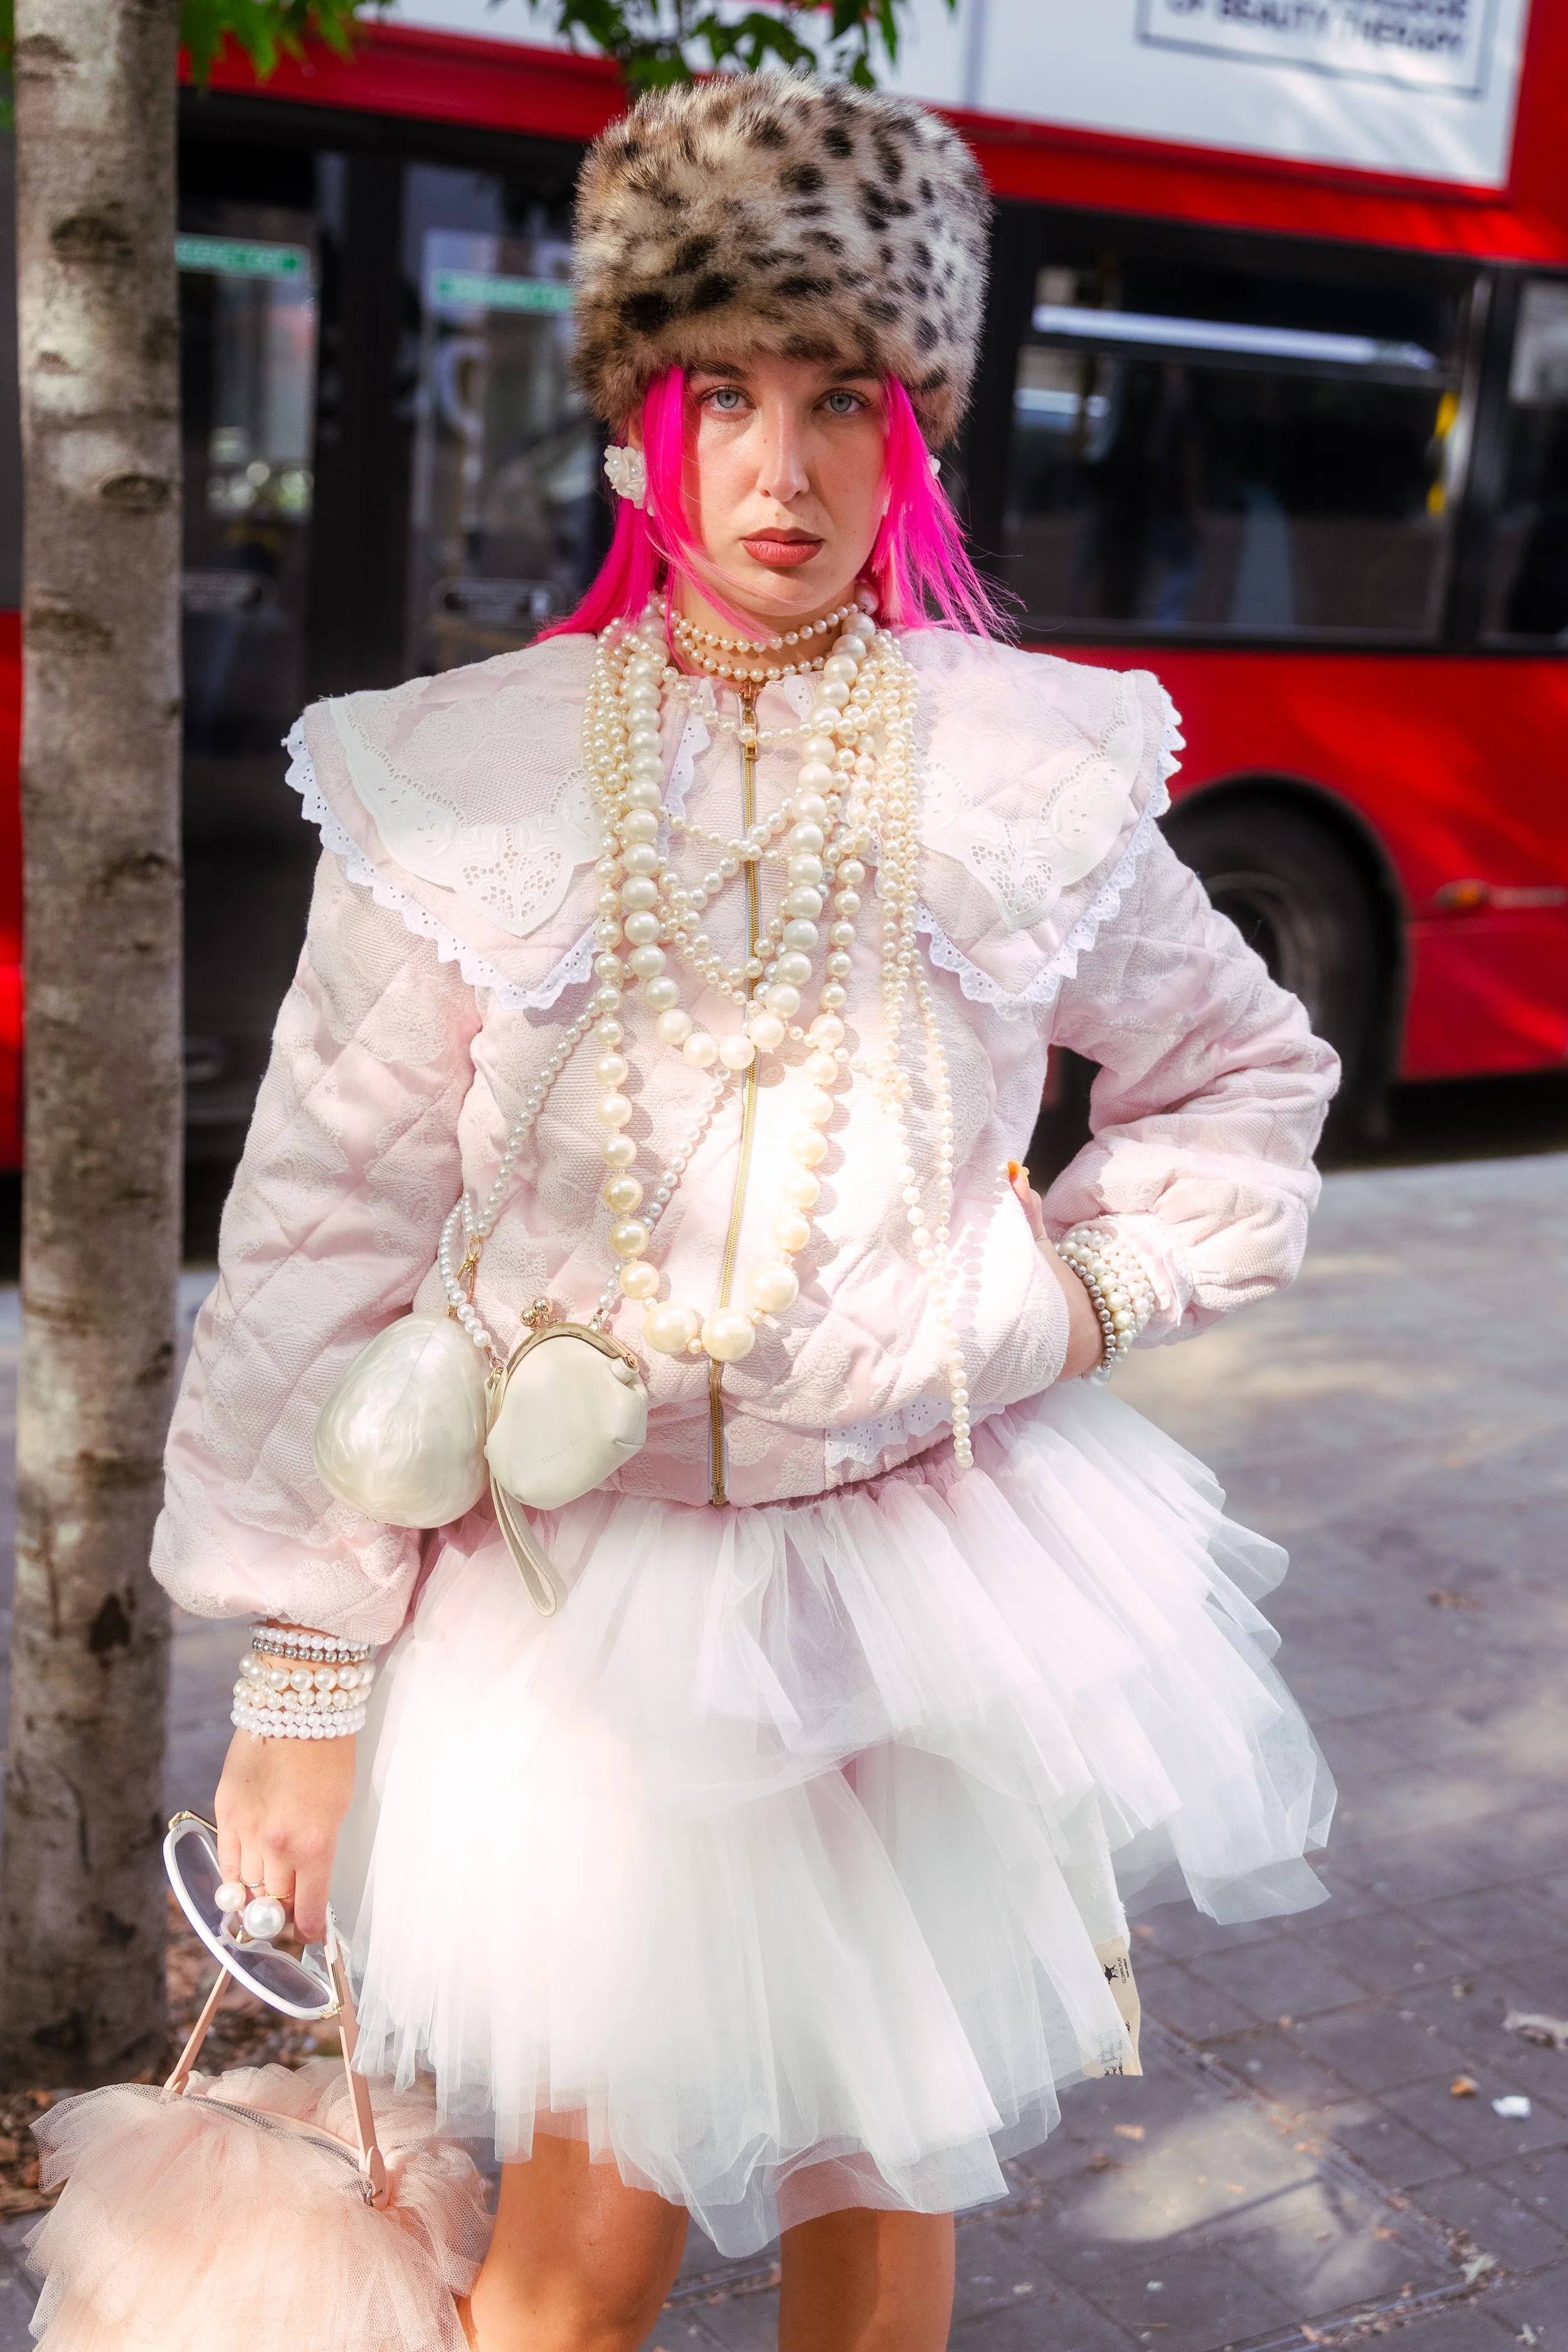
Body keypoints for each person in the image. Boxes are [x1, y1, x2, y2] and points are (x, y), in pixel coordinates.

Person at [150, 75, 1338, 2352]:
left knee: (877, 2203)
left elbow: (1243, 1078)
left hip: (918, 1590)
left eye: (842, 402)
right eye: (720, 398)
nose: (778, 473)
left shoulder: (1024, 762)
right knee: (571, 2267)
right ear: (628, 418)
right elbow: (317, 1234)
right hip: (582, 1637)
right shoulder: (464, 769)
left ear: (919, 435)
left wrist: (1060, 1301)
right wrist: (300, 1676)